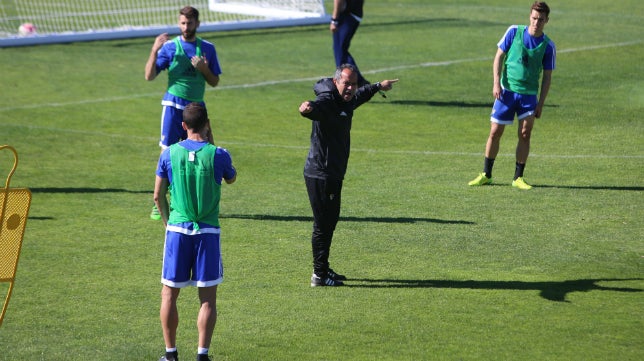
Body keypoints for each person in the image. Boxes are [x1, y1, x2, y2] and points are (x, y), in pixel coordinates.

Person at [299, 64, 398, 286]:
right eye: (346, 83)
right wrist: (306, 109)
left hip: (333, 173)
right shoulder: (327, 101)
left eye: (353, 83)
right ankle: (318, 274)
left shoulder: (348, 99)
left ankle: (323, 268)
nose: (351, 88)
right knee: (323, 224)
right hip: (321, 173)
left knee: (330, 222)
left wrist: (378, 86)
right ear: (336, 82)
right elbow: (314, 108)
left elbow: (360, 96)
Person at [153, 103, 236, 361]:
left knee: (169, 293)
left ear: (183, 126)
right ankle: (202, 355)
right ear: (208, 124)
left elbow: (157, 196)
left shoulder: (169, 154)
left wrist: (169, 225)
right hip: (207, 233)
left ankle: (170, 354)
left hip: (178, 230)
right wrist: (212, 141)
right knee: (208, 299)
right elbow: (231, 179)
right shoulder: (219, 155)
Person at [146, 5, 222, 220]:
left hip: (197, 108)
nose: (185, 27)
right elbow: (149, 76)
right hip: (173, 106)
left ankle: (206, 198)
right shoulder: (170, 48)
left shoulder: (207, 48)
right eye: (182, 23)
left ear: (197, 23)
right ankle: (160, 199)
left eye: (189, 23)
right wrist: (154, 50)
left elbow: (215, 81)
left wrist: (203, 69)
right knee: (166, 152)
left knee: (207, 150)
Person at [468, 1, 555, 190]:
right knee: (495, 132)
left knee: (525, 134)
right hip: (506, 92)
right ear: (529, 17)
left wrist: (541, 103)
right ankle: (486, 174)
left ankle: (518, 177)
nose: (536, 22)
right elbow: (498, 56)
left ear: (547, 20)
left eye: (540, 19)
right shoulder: (514, 31)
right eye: (534, 18)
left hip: (528, 96)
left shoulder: (548, 46)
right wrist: (496, 83)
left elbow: (547, 77)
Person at [331, 0, 369, 86]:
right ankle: (357, 80)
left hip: (347, 15)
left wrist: (334, 20)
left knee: (340, 51)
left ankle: (353, 81)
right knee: (342, 49)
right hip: (355, 13)